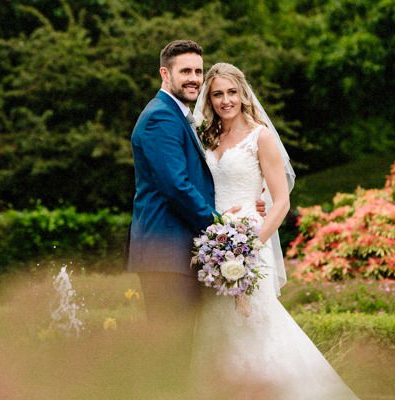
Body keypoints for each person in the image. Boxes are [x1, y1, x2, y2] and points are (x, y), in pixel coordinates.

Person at [191, 63, 359, 399]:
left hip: (251, 240)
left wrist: (251, 245)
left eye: (232, 92)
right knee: (218, 325)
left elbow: (280, 201)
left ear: (243, 93)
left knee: (257, 322)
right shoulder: (207, 137)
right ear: (209, 99)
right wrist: (218, 239)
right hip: (216, 242)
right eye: (218, 94)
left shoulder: (261, 136)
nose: (226, 100)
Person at [127, 41, 263, 386]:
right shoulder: (160, 116)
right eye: (185, 71)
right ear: (165, 73)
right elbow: (176, 187)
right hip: (166, 253)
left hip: (177, 254)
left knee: (179, 352)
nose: (194, 78)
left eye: (198, 71)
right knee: (170, 353)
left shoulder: (179, 115)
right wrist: (221, 230)